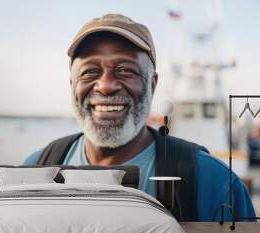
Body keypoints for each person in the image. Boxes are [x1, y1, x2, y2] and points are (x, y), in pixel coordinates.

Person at [24, 14, 256, 221]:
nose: (105, 86)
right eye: (89, 72)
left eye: (126, 70)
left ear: (152, 85)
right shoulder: (36, 168)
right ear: (72, 85)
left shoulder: (215, 184)